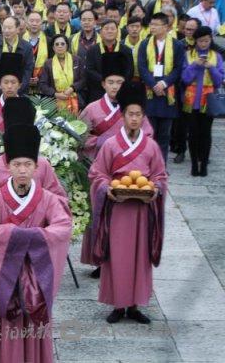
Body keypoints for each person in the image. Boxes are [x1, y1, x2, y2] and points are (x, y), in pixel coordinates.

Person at [0, 121, 72, 363]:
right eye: (17, 164)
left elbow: (63, 226)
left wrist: (28, 240)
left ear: (37, 167)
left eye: (28, 164)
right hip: (2, 275)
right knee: (1, 324)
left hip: (35, 279)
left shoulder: (48, 199)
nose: (23, 170)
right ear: (8, 166)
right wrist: (19, 237)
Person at [88, 83, 167, 325]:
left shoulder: (151, 146)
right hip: (119, 208)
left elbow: (160, 176)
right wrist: (107, 188)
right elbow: (97, 173)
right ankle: (118, 304)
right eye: (130, 114)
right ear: (122, 116)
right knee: (118, 256)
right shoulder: (111, 145)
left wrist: (155, 189)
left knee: (139, 256)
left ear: (144, 118)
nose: (134, 119)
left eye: (138, 115)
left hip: (142, 211)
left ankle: (134, 306)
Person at [78, 52, 154, 276]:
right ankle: (100, 259)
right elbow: (80, 138)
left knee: (125, 219)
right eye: (110, 82)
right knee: (100, 215)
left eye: (119, 82)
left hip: (130, 174)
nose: (115, 87)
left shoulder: (133, 111)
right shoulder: (92, 109)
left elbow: (146, 136)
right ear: (103, 83)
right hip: (101, 171)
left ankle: (124, 258)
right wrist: (99, 142)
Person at [137, 12, 185, 164]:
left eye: (156, 25)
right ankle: (146, 163)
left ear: (166, 27)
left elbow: (178, 68)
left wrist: (164, 83)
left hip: (167, 92)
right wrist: (153, 84)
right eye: (151, 24)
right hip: (150, 92)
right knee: (149, 131)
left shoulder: (177, 45)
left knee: (164, 134)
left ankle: (161, 165)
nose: (153, 27)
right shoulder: (145, 44)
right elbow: (142, 67)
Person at [180, 26, 224, 176]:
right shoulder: (188, 55)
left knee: (206, 133)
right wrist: (195, 65)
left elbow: (219, 81)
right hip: (191, 100)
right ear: (196, 41)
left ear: (210, 40)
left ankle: (204, 164)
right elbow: (184, 78)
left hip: (208, 100)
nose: (203, 43)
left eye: (206, 40)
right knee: (192, 133)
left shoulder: (216, 56)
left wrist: (211, 67)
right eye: (200, 41)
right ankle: (193, 164)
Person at [84, 19, 134, 106]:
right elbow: (89, 70)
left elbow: (130, 71)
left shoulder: (126, 50)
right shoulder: (92, 50)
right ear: (101, 32)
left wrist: (117, 83)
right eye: (106, 28)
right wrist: (106, 82)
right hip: (98, 91)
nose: (109, 31)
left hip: (120, 90)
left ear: (117, 31)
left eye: (112, 28)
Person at [0, 17, 34, 98]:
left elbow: (28, 69)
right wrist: (0, 87)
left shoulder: (27, 47)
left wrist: (18, 88)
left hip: (20, 91)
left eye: (10, 28)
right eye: (4, 27)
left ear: (18, 29)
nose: (6, 31)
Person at [39, 34, 84, 115]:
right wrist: (56, 94)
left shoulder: (77, 60)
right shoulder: (48, 63)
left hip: (75, 99)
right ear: (53, 48)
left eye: (62, 44)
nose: (60, 46)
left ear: (67, 46)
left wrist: (72, 88)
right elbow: (43, 84)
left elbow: (83, 80)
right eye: (57, 44)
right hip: (55, 101)